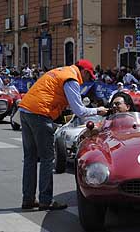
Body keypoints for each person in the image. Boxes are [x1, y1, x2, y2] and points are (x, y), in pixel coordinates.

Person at [18, 59, 108, 211]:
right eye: (89, 77)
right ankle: (46, 200)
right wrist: (98, 110)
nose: (87, 81)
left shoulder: (60, 71)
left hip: (26, 111)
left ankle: (28, 199)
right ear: (84, 72)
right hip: (40, 114)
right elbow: (80, 111)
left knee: (30, 158)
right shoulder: (71, 79)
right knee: (47, 159)